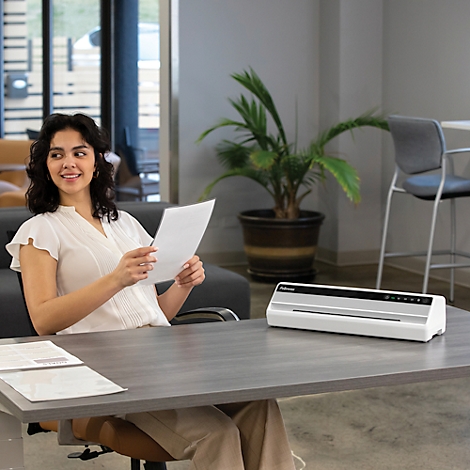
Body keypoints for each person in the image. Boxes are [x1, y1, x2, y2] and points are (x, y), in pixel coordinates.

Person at [6, 113, 296, 470]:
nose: (68, 163)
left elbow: (154, 310)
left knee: (258, 404)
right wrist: (115, 279)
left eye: (79, 153)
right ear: (45, 166)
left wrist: (183, 284)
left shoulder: (124, 223)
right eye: (56, 154)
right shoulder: (40, 231)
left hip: (162, 355)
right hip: (109, 369)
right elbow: (43, 320)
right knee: (215, 433)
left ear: (97, 161)